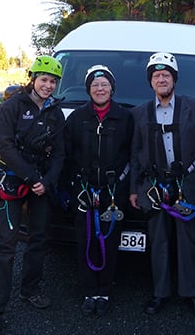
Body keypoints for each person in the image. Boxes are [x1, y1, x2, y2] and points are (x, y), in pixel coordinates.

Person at [0, 56, 66, 335]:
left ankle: (30, 289)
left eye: (53, 81)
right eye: (44, 79)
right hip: (14, 182)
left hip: (40, 183)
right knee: (5, 245)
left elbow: (60, 152)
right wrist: (32, 178)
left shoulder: (55, 112)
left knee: (39, 239)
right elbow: (4, 148)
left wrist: (48, 181)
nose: (48, 85)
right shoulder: (12, 106)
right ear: (33, 79)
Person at [129, 52, 195, 319]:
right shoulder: (139, 113)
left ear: (174, 79)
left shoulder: (193, 108)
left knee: (188, 240)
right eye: (156, 75)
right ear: (150, 82)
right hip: (155, 186)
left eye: (166, 75)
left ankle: (191, 293)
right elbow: (134, 152)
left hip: (187, 184)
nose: (161, 79)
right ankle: (160, 293)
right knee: (159, 240)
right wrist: (134, 188)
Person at [63, 65, 134, 317]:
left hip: (114, 193)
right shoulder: (76, 118)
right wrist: (72, 186)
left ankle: (104, 291)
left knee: (110, 241)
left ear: (112, 88)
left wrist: (124, 186)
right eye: (95, 85)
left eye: (104, 84)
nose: (100, 89)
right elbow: (66, 156)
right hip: (84, 191)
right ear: (88, 89)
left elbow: (133, 154)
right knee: (85, 242)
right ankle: (89, 291)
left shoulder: (126, 118)